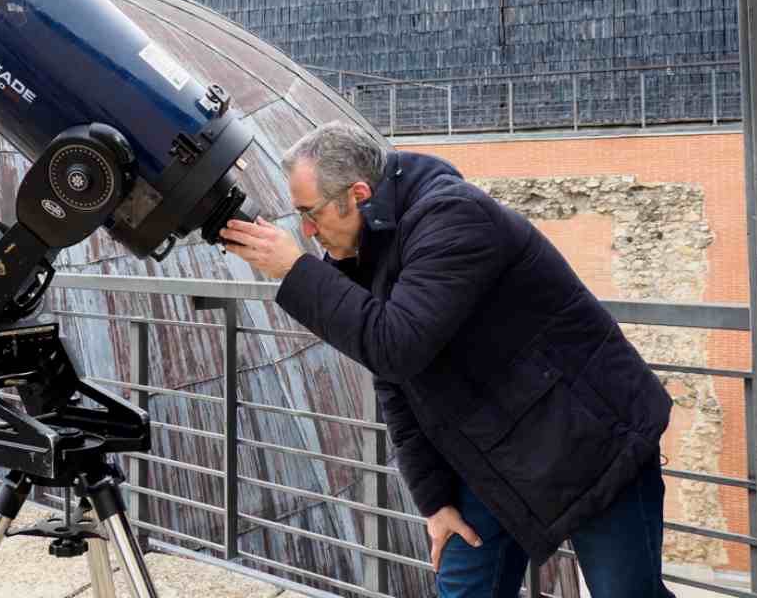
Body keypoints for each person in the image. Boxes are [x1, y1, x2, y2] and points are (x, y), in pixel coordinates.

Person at [220, 120, 674, 598]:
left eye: (311, 214)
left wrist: (296, 270)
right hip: (494, 450)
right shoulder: (367, 248)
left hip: (592, 439)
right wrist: (435, 502)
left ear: (357, 194)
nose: (308, 232)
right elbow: (395, 381)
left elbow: (396, 344)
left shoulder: (453, 217)